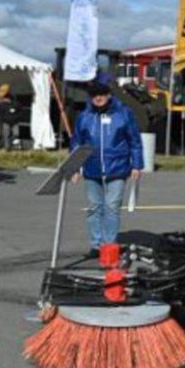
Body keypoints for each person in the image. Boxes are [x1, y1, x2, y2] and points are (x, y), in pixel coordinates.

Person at [70, 77, 143, 254]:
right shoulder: (84, 117)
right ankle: (96, 244)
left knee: (112, 207)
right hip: (92, 168)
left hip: (117, 167)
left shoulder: (124, 113)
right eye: (94, 94)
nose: (98, 97)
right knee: (94, 207)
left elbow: (134, 140)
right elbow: (76, 142)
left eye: (102, 93)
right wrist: (74, 167)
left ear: (109, 95)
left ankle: (108, 244)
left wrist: (137, 165)